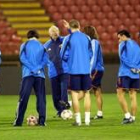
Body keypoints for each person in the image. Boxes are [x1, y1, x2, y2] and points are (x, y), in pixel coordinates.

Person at [61, 19, 93, 126]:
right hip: (85, 69)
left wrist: (69, 59)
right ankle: (87, 121)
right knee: (87, 93)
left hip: (74, 70)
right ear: (79, 26)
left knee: (74, 94)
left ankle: (78, 121)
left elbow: (62, 54)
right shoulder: (87, 37)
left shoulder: (68, 38)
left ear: (70, 27)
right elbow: (90, 53)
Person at [13, 30, 47, 126]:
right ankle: (42, 122)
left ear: (28, 36)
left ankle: (18, 122)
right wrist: (37, 68)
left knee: (23, 98)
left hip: (27, 74)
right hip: (40, 75)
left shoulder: (24, 45)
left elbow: (22, 58)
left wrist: (32, 68)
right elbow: (45, 60)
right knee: (41, 98)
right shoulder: (42, 45)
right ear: (37, 36)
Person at [44, 25, 70, 118]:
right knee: (55, 93)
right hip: (53, 72)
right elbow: (43, 58)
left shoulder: (65, 40)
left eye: (56, 31)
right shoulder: (46, 45)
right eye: (53, 31)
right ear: (49, 33)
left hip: (64, 71)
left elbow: (72, 41)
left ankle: (65, 110)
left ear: (58, 32)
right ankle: (59, 110)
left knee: (64, 90)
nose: (54, 33)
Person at [117, 30, 140, 124]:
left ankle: (127, 116)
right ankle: (133, 118)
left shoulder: (123, 44)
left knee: (120, 93)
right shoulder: (137, 45)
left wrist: (132, 67)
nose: (118, 40)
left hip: (125, 73)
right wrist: (137, 68)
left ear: (123, 36)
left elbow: (122, 58)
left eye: (119, 38)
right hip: (136, 73)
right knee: (133, 95)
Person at [83, 25, 104, 119]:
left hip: (94, 69)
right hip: (97, 69)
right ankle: (100, 113)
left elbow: (93, 58)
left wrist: (89, 71)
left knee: (86, 90)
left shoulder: (94, 42)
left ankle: (69, 104)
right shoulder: (91, 43)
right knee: (97, 91)